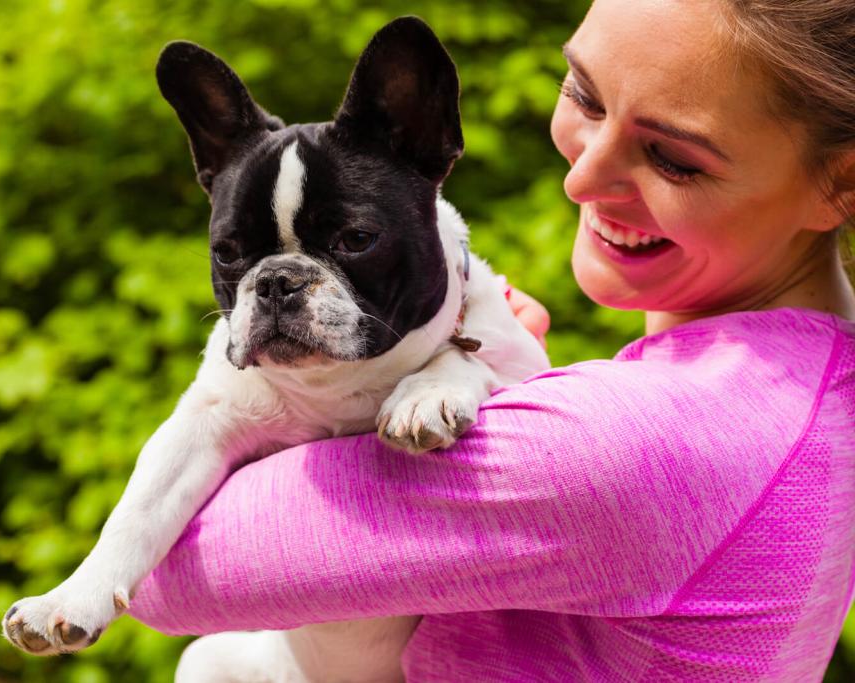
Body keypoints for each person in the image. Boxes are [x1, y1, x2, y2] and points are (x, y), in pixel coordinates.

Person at [128, 0, 855, 679]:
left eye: (675, 159)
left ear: (842, 185)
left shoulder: (644, 439)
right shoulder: (813, 393)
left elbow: (164, 578)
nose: (583, 176)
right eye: (584, 95)